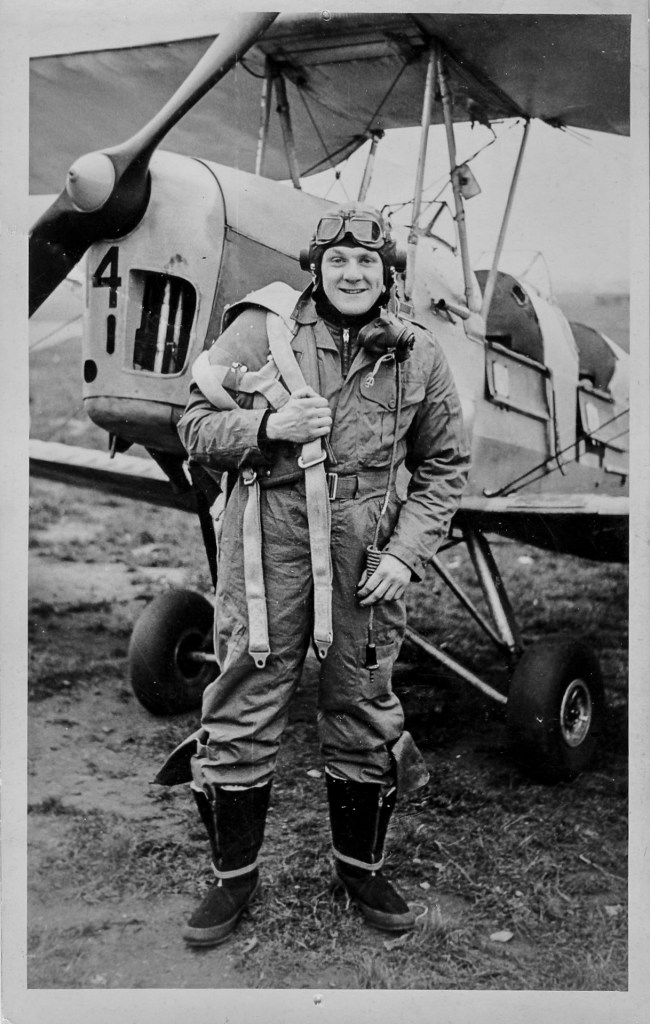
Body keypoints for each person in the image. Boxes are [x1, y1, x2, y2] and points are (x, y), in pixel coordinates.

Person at [158, 202, 471, 947]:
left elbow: (444, 467)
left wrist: (403, 554)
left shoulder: (417, 354)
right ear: (317, 268)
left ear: (385, 270)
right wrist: (268, 428)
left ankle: (359, 869)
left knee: (362, 701)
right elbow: (193, 426)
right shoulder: (260, 330)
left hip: (365, 550)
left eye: (367, 261)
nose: (353, 272)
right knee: (242, 693)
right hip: (268, 541)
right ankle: (233, 882)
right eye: (338, 261)